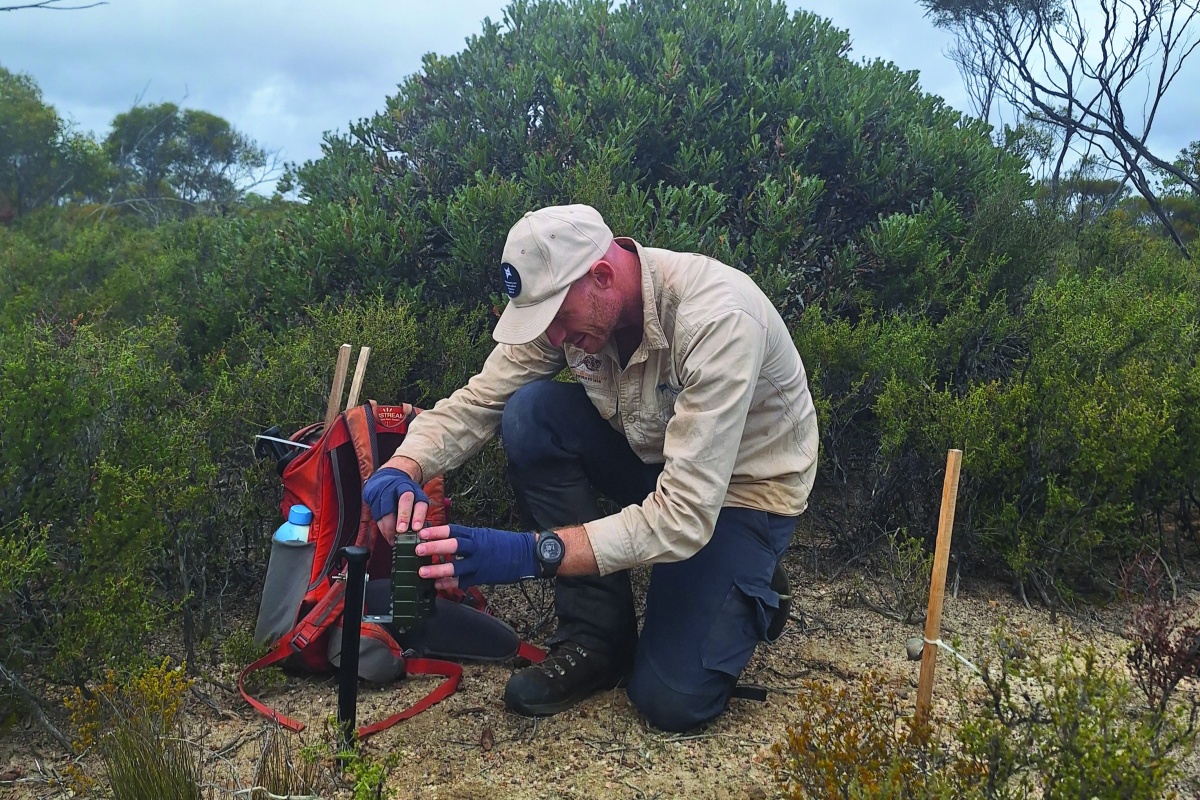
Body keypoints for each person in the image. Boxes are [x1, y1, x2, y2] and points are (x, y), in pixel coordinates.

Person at [362, 204, 818, 732]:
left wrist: (527, 553)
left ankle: (749, 575)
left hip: (739, 495)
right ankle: (596, 638)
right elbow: (480, 400)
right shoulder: (568, 305)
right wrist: (403, 466)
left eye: (558, 319)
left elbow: (684, 515)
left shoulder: (717, 320)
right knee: (530, 414)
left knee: (670, 698)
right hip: (656, 459)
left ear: (602, 276)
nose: (553, 338)